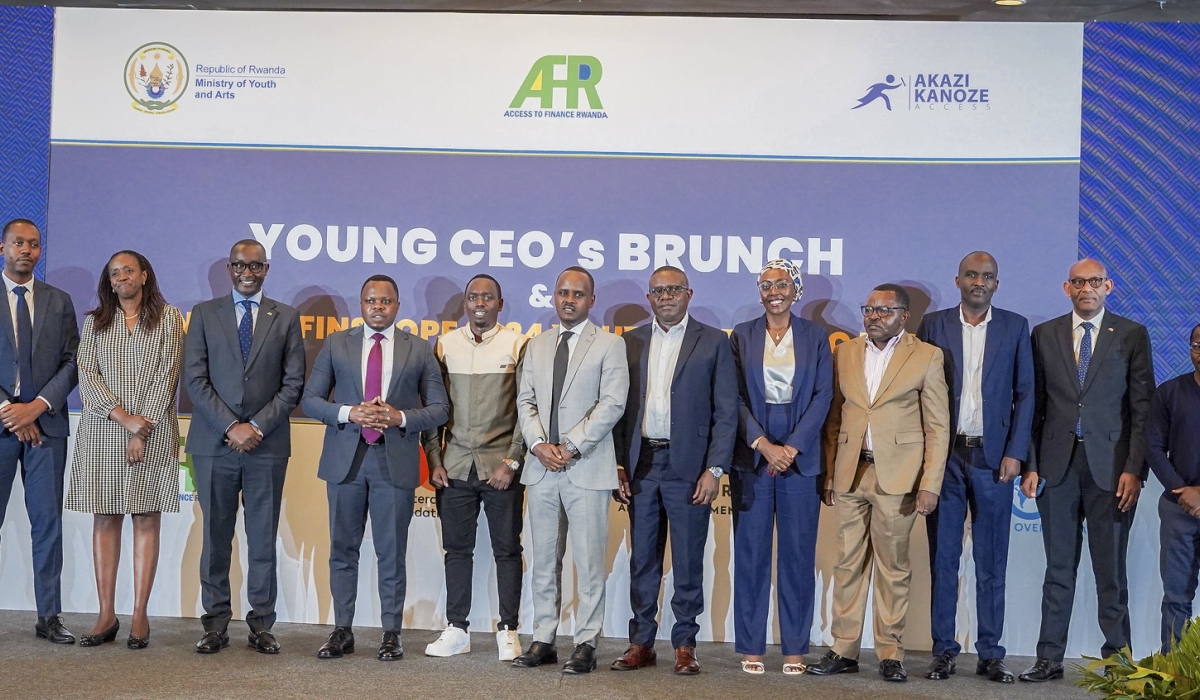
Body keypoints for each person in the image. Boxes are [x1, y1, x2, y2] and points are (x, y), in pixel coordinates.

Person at [1019, 258, 1154, 682]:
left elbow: (1141, 409)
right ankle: (1048, 658)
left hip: (1112, 471)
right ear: (1066, 288)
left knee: (1110, 572)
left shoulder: (1131, 334)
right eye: (1078, 282)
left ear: (1108, 286)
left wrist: (1135, 469)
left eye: (1094, 282)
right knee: (1058, 570)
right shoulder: (1044, 334)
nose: (1086, 289)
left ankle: (1118, 659)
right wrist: (1032, 465)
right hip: (1056, 469)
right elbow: (1033, 407)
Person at [302, 274, 449, 662]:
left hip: (393, 461)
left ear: (398, 306)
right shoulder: (337, 343)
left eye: (386, 301)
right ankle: (342, 630)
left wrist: (400, 417)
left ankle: (391, 633)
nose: (378, 306)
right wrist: (350, 412)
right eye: (371, 300)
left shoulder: (418, 349)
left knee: (391, 552)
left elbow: (439, 408)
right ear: (361, 304)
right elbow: (311, 400)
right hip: (345, 462)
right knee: (343, 551)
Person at [808, 283, 949, 683]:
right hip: (852, 474)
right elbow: (836, 418)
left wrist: (930, 483)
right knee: (847, 564)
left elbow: (938, 427)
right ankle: (844, 648)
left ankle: (890, 653)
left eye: (884, 311)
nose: (874, 316)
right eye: (869, 309)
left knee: (893, 569)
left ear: (904, 316)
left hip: (900, 477)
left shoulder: (926, 356)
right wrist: (833, 474)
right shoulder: (847, 352)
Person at [609, 266, 738, 676]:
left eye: (673, 289)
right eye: (658, 290)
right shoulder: (629, 343)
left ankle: (685, 644)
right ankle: (641, 642)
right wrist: (618, 464)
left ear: (689, 294)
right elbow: (617, 411)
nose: (666, 296)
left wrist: (715, 468)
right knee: (643, 560)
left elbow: (726, 412)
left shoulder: (715, 342)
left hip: (690, 467)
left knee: (687, 562)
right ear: (649, 298)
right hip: (641, 464)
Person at [916, 252, 1034, 683]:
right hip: (945, 460)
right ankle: (943, 650)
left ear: (996, 285)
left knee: (991, 563)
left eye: (987, 276)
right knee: (944, 560)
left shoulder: (1015, 326)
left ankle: (990, 653)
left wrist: (1016, 452)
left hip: (994, 459)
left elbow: (1026, 395)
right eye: (971, 275)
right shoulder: (933, 325)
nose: (978, 282)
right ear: (958, 280)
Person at [184, 239, 305, 655]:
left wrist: (254, 425)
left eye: (254, 266)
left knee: (262, 539)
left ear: (266, 269)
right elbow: (195, 381)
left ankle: (261, 625)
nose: (246, 272)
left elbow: (293, 385)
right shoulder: (203, 314)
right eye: (239, 266)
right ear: (229, 269)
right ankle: (215, 624)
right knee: (215, 538)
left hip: (266, 445)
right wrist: (231, 426)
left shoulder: (286, 318)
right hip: (214, 444)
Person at [66, 250, 184, 649]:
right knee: (106, 517)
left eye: (128, 270)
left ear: (145, 275)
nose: (121, 278)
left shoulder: (169, 317)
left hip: (151, 429)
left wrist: (141, 428)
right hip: (103, 429)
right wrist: (123, 418)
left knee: (147, 517)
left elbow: (168, 373)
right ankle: (105, 614)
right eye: (114, 273)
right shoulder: (94, 321)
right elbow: (87, 373)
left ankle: (139, 615)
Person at [512, 266, 628, 674]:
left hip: (587, 467)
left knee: (589, 561)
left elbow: (613, 403)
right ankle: (543, 638)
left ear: (591, 300)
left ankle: (586, 642)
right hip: (541, 468)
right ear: (554, 297)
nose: (568, 299)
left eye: (577, 294)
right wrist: (539, 445)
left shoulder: (610, 345)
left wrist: (571, 445)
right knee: (544, 560)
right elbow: (524, 400)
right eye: (562, 292)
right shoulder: (538, 345)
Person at [726, 260, 832, 675]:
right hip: (753, 456)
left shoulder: (816, 337)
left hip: (799, 458)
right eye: (766, 284)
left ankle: (794, 650)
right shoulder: (742, 336)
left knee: (797, 558)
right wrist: (763, 443)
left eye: (782, 283)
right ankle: (751, 647)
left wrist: (792, 448)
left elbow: (823, 397)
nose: (774, 290)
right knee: (750, 556)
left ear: (796, 290)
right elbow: (731, 396)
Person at [422, 274, 527, 662]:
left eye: (487, 297)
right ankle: (457, 629)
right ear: (464, 304)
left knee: (507, 551)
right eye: (472, 297)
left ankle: (508, 630)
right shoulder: (445, 344)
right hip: (454, 468)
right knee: (456, 551)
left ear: (500, 304)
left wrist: (512, 462)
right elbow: (433, 408)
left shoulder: (518, 344)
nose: (479, 302)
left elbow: (526, 411)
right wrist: (434, 459)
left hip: (501, 469)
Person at [0, 218, 80, 645]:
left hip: (46, 428)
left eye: (33, 244)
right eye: (18, 243)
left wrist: (36, 408)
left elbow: (73, 362)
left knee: (47, 524)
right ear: (2, 247)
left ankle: (48, 616)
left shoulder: (59, 300)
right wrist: (10, 411)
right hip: (1, 424)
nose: (25, 250)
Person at [1146, 323, 1200, 653]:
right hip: (1179, 509)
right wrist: (1183, 490)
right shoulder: (1169, 392)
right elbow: (1152, 446)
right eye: (1197, 344)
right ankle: (1175, 674)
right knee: (1177, 598)